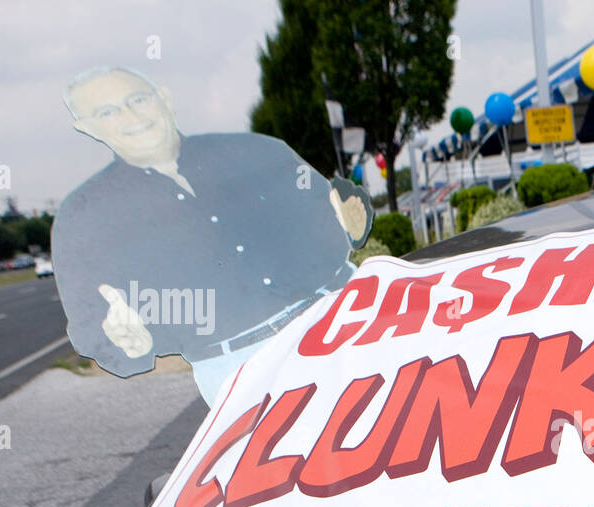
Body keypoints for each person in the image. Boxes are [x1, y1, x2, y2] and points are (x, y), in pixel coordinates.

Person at [52, 66, 373, 402]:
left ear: (164, 98)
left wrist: (353, 217)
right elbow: (91, 327)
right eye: (107, 111)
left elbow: (339, 217)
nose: (130, 115)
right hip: (237, 372)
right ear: (87, 128)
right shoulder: (83, 216)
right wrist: (126, 345)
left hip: (340, 318)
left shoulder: (260, 151)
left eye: (138, 99)